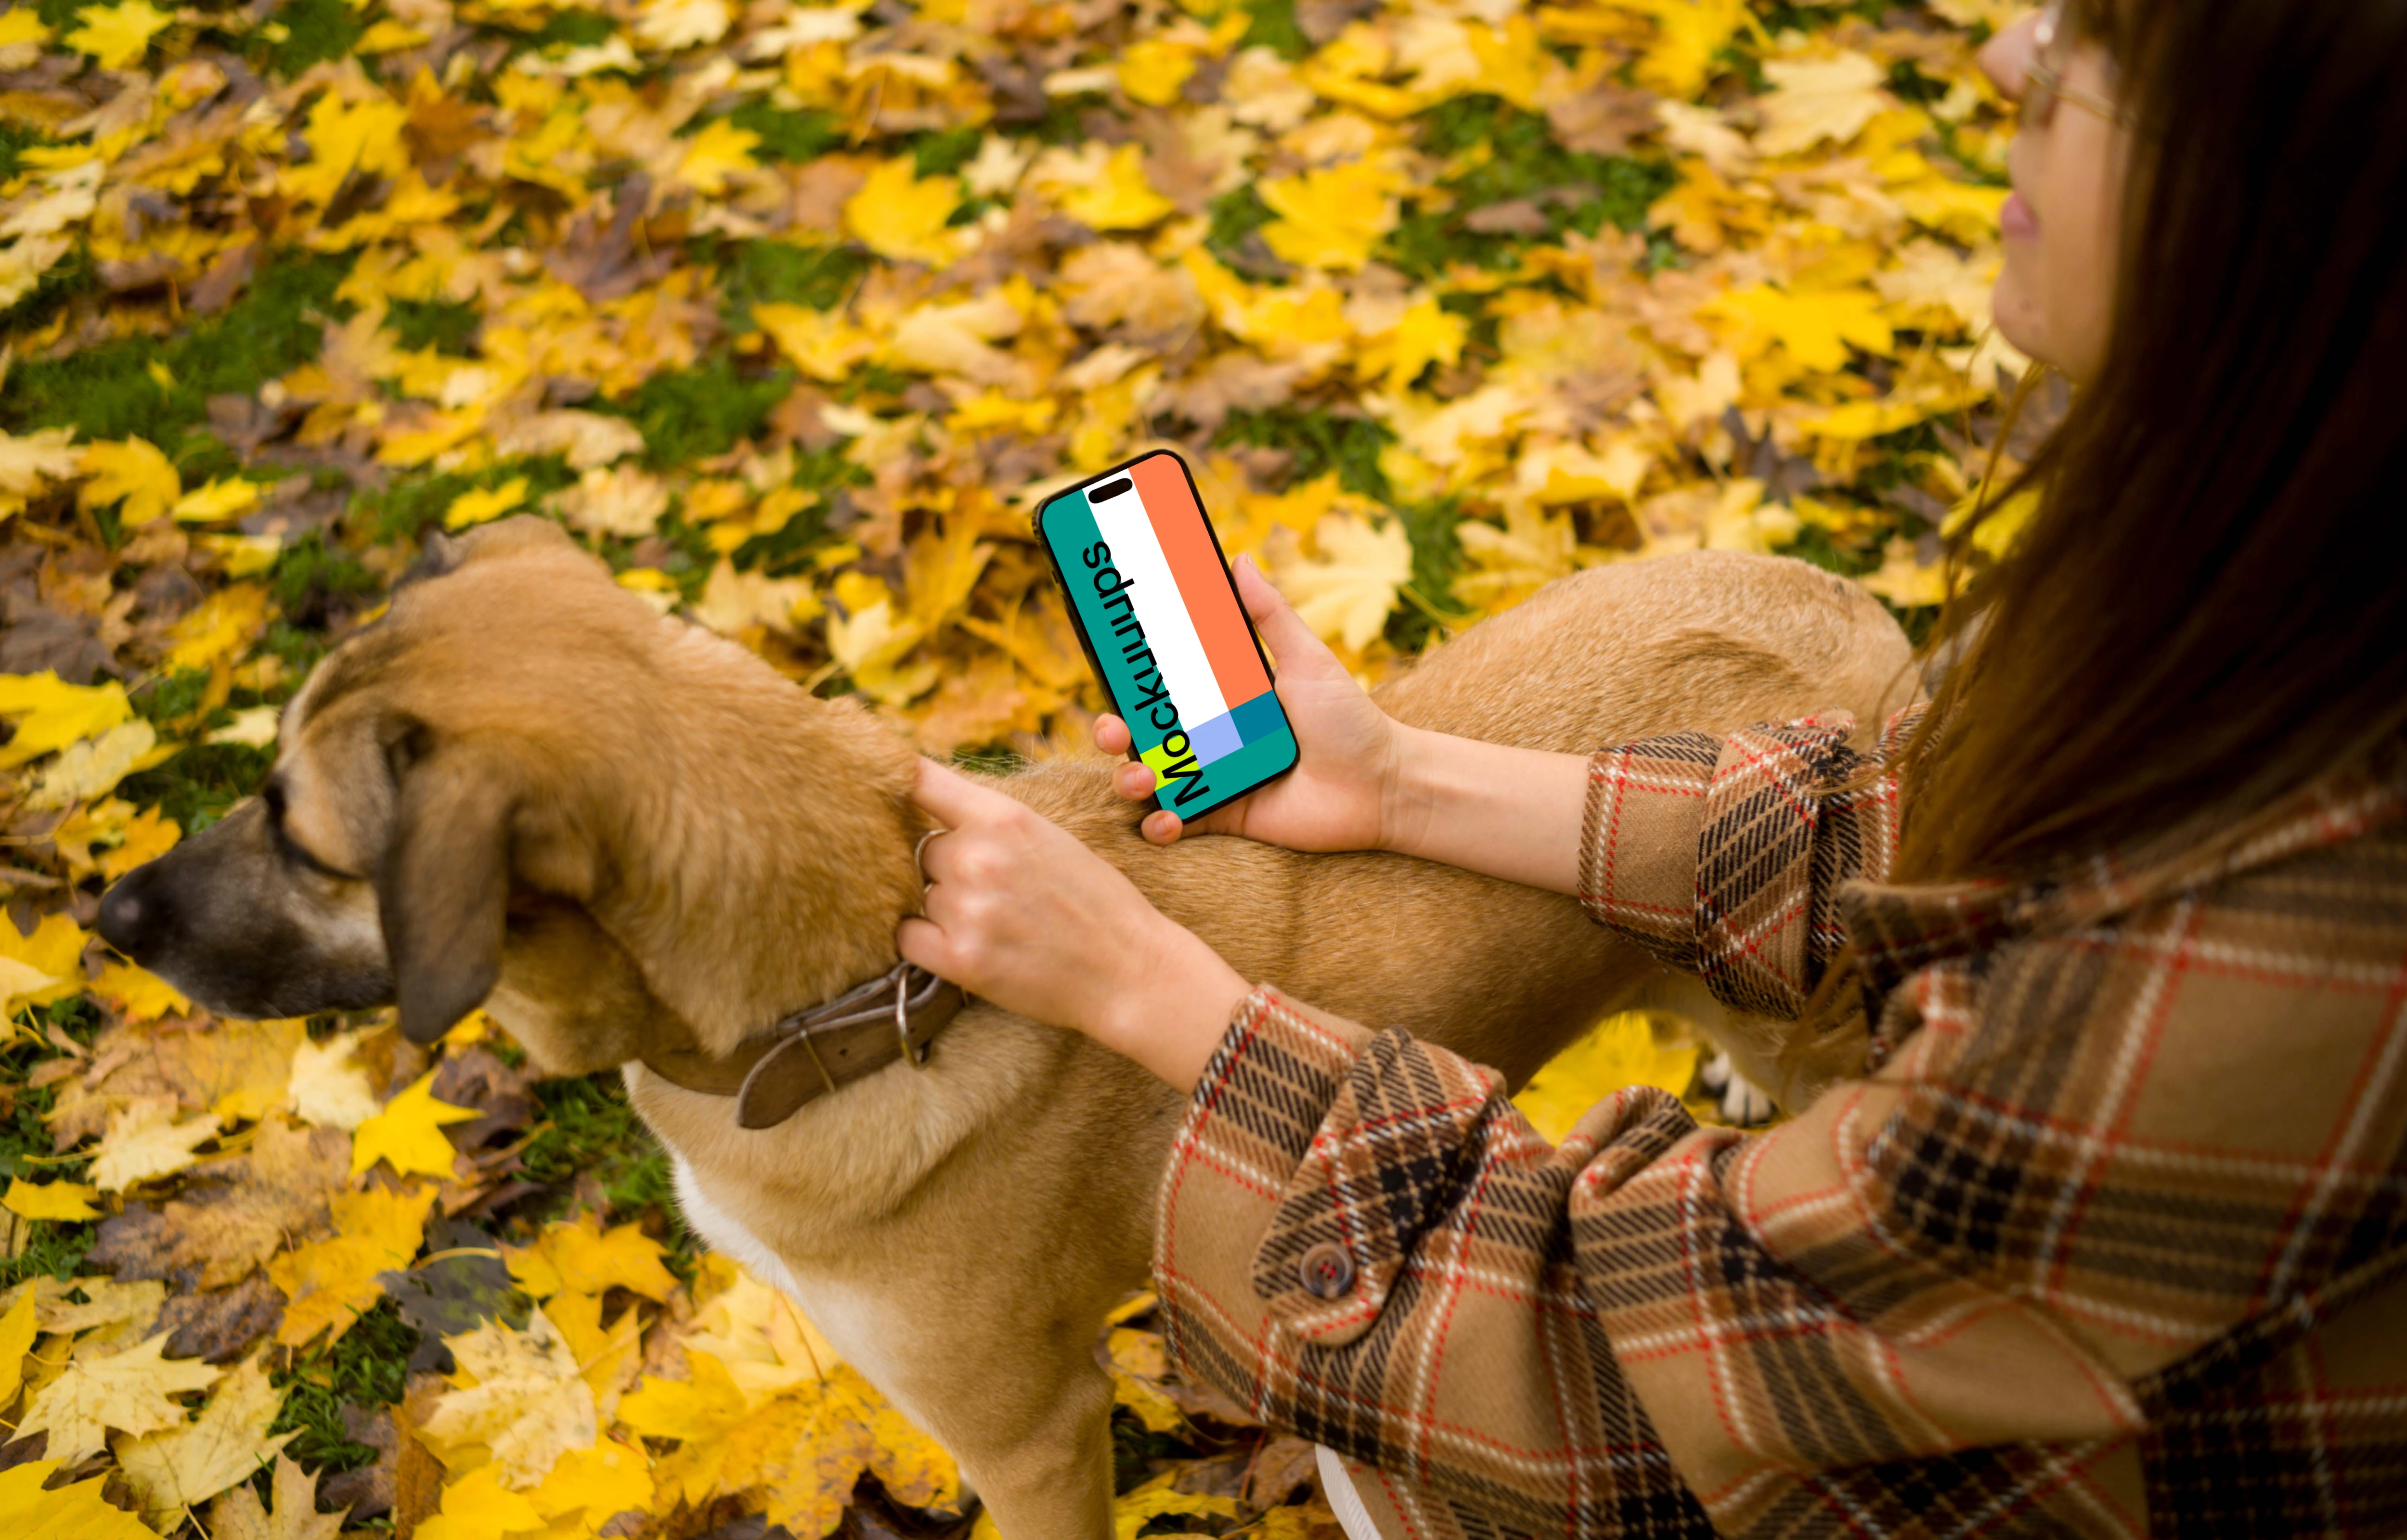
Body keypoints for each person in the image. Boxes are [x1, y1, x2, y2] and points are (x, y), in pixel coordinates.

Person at [897, 0, 2407, 1533]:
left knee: (1404, 1436)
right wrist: (1405, 781)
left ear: (2325, 198)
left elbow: (1631, 1394)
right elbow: (1930, 840)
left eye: (2113, 55)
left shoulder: (2275, 925)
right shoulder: (2295, 596)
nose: (2013, 59)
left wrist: (1156, 992)